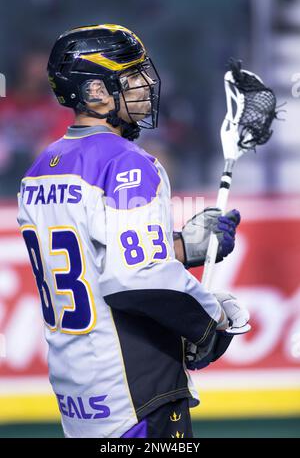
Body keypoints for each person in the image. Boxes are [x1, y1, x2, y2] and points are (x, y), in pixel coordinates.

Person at [17, 24, 250, 438]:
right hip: (134, 387)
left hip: (78, 389)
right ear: (94, 92)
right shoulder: (127, 162)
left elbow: (98, 262)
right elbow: (134, 277)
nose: (145, 84)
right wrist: (210, 321)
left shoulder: (41, 167)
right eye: (131, 76)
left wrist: (184, 246)